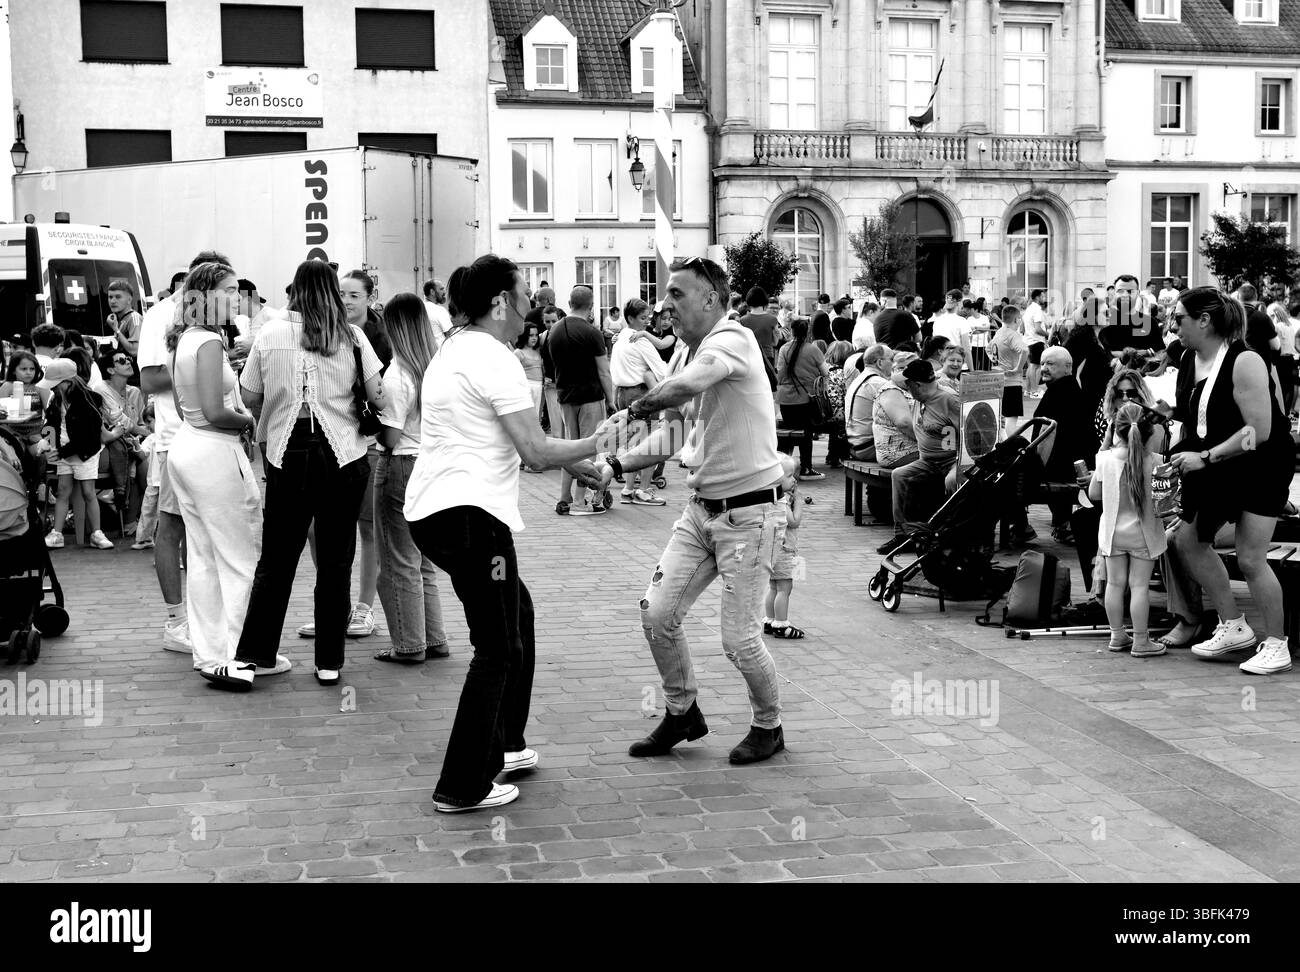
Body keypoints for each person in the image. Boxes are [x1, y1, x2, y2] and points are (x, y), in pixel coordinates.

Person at [402, 254, 606, 812]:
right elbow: (536, 451)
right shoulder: (495, 357)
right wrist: (601, 442)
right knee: (496, 645)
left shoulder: (456, 346)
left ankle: (505, 745)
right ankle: (463, 783)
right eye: (523, 298)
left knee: (518, 615)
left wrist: (580, 465)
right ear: (499, 303)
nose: (531, 309)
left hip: (440, 511)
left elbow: (501, 440)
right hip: (470, 519)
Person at [592, 256, 787, 765]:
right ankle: (683, 712)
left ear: (713, 299)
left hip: (750, 515)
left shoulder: (732, 340)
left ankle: (770, 726)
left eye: (677, 294)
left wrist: (633, 408)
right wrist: (615, 464)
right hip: (700, 512)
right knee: (657, 614)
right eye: (667, 295)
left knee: (740, 640)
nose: (666, 304)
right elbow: (678, 432)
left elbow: (685, 388)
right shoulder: (691, 352)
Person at [203, 260, 387, 691]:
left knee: (278, 560)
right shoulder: (353, 336)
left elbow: (248, 397)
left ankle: (254, 656)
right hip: (345, 455)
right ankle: (328, 662)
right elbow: (378, 394)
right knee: (337, 559)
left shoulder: (270, 335)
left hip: (288, 453)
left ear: (294, 292)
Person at [1158, 287, 1292, 674]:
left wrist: (1204, 456)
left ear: (1204, 320)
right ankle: (1233, 625)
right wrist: (1164, 412)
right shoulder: (1188, 358)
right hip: (1215, 461)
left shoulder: (1244, 360)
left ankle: (1277, 644)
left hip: (1259, 465)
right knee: (1186, 539)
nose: (1173, 327)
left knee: (1251, 558)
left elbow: (1259, 431)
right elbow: (1198, 413)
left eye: (1179, 319)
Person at [164, 262, 269, 676]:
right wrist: (249, 423)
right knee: (239, 556)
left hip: (188, 447)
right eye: (228, 290)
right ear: (206, 296)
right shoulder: (207, 341)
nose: (235, 298)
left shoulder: (185, 339)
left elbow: (184, 407)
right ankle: (243, 652)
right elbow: (213, 411)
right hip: (213, 451)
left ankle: (211, 654)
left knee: (205, 557)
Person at [138, 250, 232, 656]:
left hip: (210, 441)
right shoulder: (162, 315)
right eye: (226, 288)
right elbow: (147, 379)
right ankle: (177, 621)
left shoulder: (212, 322)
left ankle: (203, 618)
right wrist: (198, 371)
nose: (233, 297)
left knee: (207, 533)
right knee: (173, 527)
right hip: (178, 437)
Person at [372, 293, 449, 665]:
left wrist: (370, 414)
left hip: (401, 463)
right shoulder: (435, 368)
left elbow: (389, 436)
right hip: (431, 462)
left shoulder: (397, 373)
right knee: (423, 560)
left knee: (398, 559)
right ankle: (434, 637)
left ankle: (409, 643)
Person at [1087, 403, 1168, 657]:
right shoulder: (1158, 462)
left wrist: (1104, 446)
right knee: (1139, 586)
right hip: (1144, 536)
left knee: (1114, 584)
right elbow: (1167, 507)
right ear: (1150, 432)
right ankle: (1141, 640)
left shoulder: (1105, 460)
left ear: (1115, 430)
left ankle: (1117, 635)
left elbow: (1093, 494)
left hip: (1112, 534)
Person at [541, 285, 616, 515]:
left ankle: (564, 498)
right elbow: (604, 371)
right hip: (590, 396)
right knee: (587, 449)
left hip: (564, 396)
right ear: (591, 306)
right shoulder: (592, 332)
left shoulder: (552, 332)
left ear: (570, 302)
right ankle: (579, 501)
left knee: (569, 450)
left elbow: (549, 367)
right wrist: (611, 400)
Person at [880, 359, 959, 553]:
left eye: (909, 385)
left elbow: (973, 435)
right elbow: (895, 379)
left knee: (951, 482)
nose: (906, 388)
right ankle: (902, 535)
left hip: (952, 461)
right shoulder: (920, 396)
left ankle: (951, 536)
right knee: (899, 475)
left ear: (917, 385)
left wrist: (957, 466)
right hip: (928, 461)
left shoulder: (949, 400)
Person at [42, 358, 115, 550]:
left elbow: (88, 437)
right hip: (63, 450)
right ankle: (57, 534)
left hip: (85, 452)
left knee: (88, 491)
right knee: (63, 490)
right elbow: (49, 425)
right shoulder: (56, 400)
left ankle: (97, 533)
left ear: (67, 382)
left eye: (55, 385)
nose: (53, 389)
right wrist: (50, 446)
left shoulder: (89, 400)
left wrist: (60, 452)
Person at [1035, 346, 1100, 542]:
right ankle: (1061, 522)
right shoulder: (1064, 389)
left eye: (1050, 364)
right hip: (1070, 464)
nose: (1044, 368)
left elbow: (1055, 444)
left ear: (1068, 367)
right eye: (1042, 363)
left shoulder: (1062, 393)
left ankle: (1026, 525)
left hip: (1068, 469)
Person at [608, 297, 667, 505]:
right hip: (640, 393)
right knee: (650, 444)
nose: (647, 321)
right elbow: (662, 371)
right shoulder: (640, 339)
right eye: (643, 318)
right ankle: (642, 490)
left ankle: (628, 488)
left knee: (634, 443)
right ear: (631, 318)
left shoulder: (620, 338)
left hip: (623, 393)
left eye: (648, 317)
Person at [96, 347, 149, 531]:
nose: (128, 361)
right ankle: (132, 518)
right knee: (142, 464)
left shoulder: (135, 391)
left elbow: (142, 421)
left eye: (128, 358)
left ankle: (132, 519)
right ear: (111, 370)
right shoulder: (101, 389)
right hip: (111, 443)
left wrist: (144, 434)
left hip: (134, 442)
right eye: (122, 361)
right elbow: (118, 420)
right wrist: (147, 433)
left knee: (145, 464)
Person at [774, 317, 829, 480]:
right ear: (808, 332)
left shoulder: (784, 349)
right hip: (807, 399)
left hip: (786, 400)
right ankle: (806, 468)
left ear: (792, 331)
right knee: (806, 433)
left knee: (787, 433)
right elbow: (825, 373)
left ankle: (784, 470)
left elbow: (781, 374)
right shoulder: (813, 350)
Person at [763, 456, 805, 639]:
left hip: (774, 550)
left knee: (773, 587)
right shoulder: (780, 501)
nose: (794, 479)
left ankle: (769, 619)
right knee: (785, 588)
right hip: (785, 551)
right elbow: (794, 522)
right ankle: (781, 624)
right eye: (790, 476)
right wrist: (800, 502)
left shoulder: (769, 497)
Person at [844, 343, 894, 461]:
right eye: (891, 359)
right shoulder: (878, 383)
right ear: (880, 363)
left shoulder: (859, 379)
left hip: (854, 445)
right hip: (868, 447)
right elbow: (901, 420)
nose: (894, 364)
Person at [988, 304, 1028, 436]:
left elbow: (988, 349)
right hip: (1012, 382)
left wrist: (996, 362)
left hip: (998, 379)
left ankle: (1003, 444)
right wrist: (1018, 368)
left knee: (1002, 418)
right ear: (1016, 320)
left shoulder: (999, 332)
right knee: (1011, 419)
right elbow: (1024, 350)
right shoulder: (1013, 335)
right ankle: (1012, 447)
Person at [514, 322, 545, 438]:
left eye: (536, 335)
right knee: (527, 415)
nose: (534, 338)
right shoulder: (518, 353)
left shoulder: (538, 352)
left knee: (537, 414)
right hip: (526, 387)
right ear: (524, 336)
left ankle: (534, 438)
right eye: (531, 335)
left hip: (539, 387)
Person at [931, 289, 972, 368]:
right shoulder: (962, 321)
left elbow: (934, 345)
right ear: (959, 302)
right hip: (957, 364)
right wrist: (972, 371)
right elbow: (966, 350)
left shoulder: (937, 321)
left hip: (941, 365)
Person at [741, 287, 779, 368]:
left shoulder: (742, 320)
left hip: (748, 356)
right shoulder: (772, 319)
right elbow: (775, 342)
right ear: (765, 301)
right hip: (767, 357)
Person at [105, 279, 142, 359]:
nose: (113, 301)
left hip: (134, 368)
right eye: (110, 297)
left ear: (129, 300)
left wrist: (115, 329)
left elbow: (134, 351)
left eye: (118, 297)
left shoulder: (134, 318)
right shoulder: (115, 318)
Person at [1023, 289, 1048, 396]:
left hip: (1028, 341)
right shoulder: (1037, 310)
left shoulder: (1029, 309)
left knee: (1031, 367)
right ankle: (1034, 391)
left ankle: (1028, 390)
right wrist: (1048, 334)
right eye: (1043, 296)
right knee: (1036, 367)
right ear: (1037, 297)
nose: (1044, 298)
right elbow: (1038, 329)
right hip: (1036, 341)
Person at [422, 278, 452, 345]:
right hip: (440, 352)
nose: (444, 292)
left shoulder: (419, 308)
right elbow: (451, 335)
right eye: (441, 289)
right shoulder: (439, 310)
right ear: (432, 292)